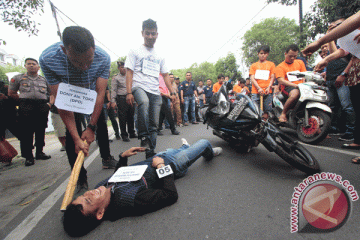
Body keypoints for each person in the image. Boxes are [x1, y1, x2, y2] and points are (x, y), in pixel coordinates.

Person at [62, 138, 223, 237]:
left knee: (171, 150)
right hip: (173, 164)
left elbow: (118, 177)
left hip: (157, 158)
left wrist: (123, 158)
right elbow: (170, 194)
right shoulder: (130, 201)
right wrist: (161, 166)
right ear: (100, 213)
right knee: (204, 143)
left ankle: (185, 148)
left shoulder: (100, 188)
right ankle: (208, 153)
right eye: (89, 200)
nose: (90, 192)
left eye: (83, 196)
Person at [39, 26, 118, 192]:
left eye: (89, 61)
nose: (85, 67)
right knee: (71, 137)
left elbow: (100, 92)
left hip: (90, 93)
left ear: (94, 49)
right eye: (77, 62)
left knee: (100, 124)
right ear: (64, 50)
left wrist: (91, 127)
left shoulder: (103, 58)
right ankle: (80, 179)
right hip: (69, 97)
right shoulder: (48, 59)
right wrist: (76, 137)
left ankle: (106, 158)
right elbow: (60, 100)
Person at [125, 19, 176, 159]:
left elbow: (165, 75)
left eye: (153, 34)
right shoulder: (134, 51)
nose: (150, 37)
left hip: (155, 91)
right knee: (144, 102)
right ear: (142, 33)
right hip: (138, 86)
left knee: (154, 124)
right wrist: (129, 92)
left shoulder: (160, 55)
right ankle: (143, 136)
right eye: (147, 33)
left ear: (157, 34)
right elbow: (129, 72)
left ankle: (150, 152)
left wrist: (172, 92)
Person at [8, 58, 51, 166]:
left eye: (33, 64)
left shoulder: (43, 80)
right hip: (26, 106)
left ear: (38, 67)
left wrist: (49, 104)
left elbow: (51, 94)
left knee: (41, 129)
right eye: (29, 64)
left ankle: (39, 152)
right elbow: (11, 92)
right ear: (25, 66)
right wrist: (23, 102)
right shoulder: (18, 78)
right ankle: (28, 156)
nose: (31, 65)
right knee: (27, 131)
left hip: (41, 106)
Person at [274, 44, 307, 123]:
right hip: (288, 87)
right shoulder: (280, 67)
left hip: (302, 86)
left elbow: (304, 75)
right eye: (290, 56)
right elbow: (281, 81)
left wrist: (304, 84)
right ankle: (283, 113)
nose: (292, 58)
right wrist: (296, 85)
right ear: (285, 54)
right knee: (295, 94)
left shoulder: (300, 62)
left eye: (295, 56)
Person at [111, 61, 137, 142]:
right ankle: (124, 135)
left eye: (125, 67)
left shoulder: (130, 76)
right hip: (121, 98)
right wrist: (113, 101)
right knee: (122, 117)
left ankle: (132, 132)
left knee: (131, 115)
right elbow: (113, 90)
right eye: (122, 67)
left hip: (131, 98)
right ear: (119, 68)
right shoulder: (116, 78)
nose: (124, 69)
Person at [249, 45, 276, 112]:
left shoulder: (271, 64)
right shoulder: (254, 65)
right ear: (258, 54)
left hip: (267, 92)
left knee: (267, 111)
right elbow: (252, 78)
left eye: (265, 53)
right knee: (255, 111)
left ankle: (264, 122)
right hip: (256, 92)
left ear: (267, 54)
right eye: (261, 53)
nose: (263, 55)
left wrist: (269, 87)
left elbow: (272, 77)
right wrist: (259, 88)